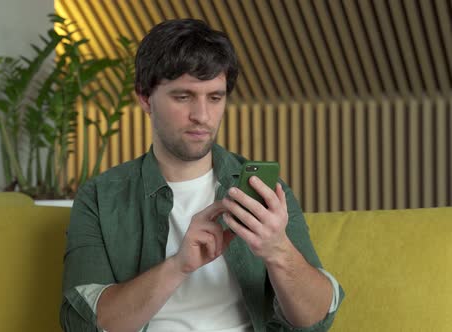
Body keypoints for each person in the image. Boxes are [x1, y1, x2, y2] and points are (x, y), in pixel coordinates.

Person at [60, 18, 344, 332]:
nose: (202, 116)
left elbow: (318, 320)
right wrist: (178, 266)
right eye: (183, 97)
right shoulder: (100, 197)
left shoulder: (265, 192)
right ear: (144, 98)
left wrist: (277, 249)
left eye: (215, 97)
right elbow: (82, 325)